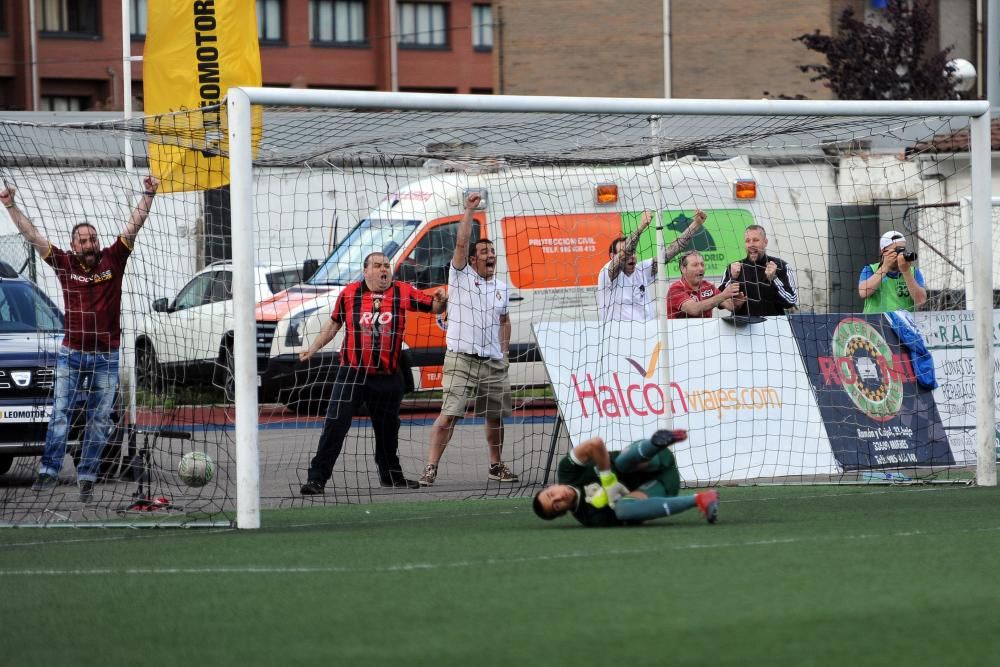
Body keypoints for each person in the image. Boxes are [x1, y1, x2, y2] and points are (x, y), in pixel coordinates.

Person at [0, 176, 160, 503]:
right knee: (61, 411)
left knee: (100, 419)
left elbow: (134, 225)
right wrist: (9, 204)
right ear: (73, 246)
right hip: (71, 354)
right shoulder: (64, 263)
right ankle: (49, 470)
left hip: (106, 356)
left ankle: (87, 475)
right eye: (82, 240)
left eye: (91, 238)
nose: (88, 244)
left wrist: (148, 194)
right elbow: (32, 235)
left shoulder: (114, 258)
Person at [299, 252, 447, 494]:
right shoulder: (349, 294)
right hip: (352, 373)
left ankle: (391, 475)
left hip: (388, 375)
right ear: (366, 271)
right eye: (377, 266)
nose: (384, 270)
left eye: (387, 265)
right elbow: (334, 324)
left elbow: (434, 307)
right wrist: (313, 348)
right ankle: (317, 479)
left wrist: (443, 301)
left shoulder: (403, 291)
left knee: (388, 428)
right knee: (335, 425)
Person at [418, 192, 516, 486]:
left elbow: (504, 319)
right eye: (484, 252)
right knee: (449, 415)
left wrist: (504, 351)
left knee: (495, 416)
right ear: (472, 259)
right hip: (462, 358)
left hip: (493, 362)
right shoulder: (460, 276)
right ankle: (431, 467)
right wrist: (469, 210)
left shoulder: (500, 286)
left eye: (492, 252)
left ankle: (495, 465)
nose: (491, 256)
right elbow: (461, 243)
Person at [532, 429, 719, 527]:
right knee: (622, 510)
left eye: (551, 495)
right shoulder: (591, 518)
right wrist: (615, 498)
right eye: (556, 505)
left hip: (652, 459)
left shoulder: (568, 471)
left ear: (551, 486)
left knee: (621, 463)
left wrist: (608, 479)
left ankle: (656, 443)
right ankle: (700, 498)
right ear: (562, 512)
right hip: (661, 485)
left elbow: (595, 443)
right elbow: (642, 519)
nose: (558, 498)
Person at [598, 209, 707, 321]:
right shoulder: (607, 274)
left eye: (634, 252)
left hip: (648, 333)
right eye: (625, 251)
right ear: (612, 256)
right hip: (618, 336)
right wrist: (641, 227)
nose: (632, 255)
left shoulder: (641, 270)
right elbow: (626, 253)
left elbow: (672, 250)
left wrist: (695, 225)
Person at [719, 224, 798, 317]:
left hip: (773, 327)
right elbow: (718, 301)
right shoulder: (732, 268)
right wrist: (733, 278)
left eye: (756, 240)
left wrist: (774, 279)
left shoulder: (781, 266)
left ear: (765, 242)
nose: (751, 244)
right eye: (748, 241)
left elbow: (791, 301)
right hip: (742, 327)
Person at [858, 230, 927, 313]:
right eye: (897, 250)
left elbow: (921, 301)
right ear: (883, 251)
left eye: (903, 250)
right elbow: (863, 292)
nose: (900, 254)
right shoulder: (870, 269)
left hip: (903, 324)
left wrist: (906, 271)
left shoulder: (914, 272)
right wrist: (885, 266)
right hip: (875, 323)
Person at [667, 250, 744, 318]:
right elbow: (694, 309)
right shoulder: (675, 289)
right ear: (683, 269)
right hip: (680, 334)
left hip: (706, 333)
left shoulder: (708, 286)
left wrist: (736, 304)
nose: (701, 268)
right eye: (695, 265)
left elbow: (729, 306)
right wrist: (724, 295)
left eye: (702, 265)